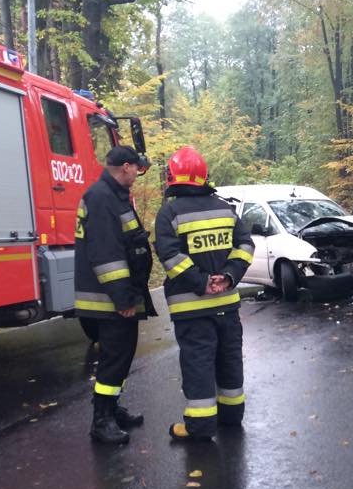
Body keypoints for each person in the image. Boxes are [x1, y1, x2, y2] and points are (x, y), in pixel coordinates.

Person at [154, 146, 255, 442]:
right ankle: (231, 416)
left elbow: (169, 256)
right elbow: (245, 246)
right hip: (228, 304)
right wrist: (229, 276)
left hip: (192, 308)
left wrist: (201, 282)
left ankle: (199, 427)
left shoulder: (169, 213)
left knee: (198, 363)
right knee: (230, 359)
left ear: (173, 177)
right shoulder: (226, 208)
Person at [74, 145, 156, 445]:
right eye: (137, 168)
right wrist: (123, 300)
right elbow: (106, 255)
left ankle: (112, 407)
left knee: (121, 356)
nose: (138, 173)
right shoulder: (101, 198)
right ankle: (101, 420)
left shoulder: (114, 196)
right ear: (125, 166)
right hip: (109, 301)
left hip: (117, 298)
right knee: (114, 357)